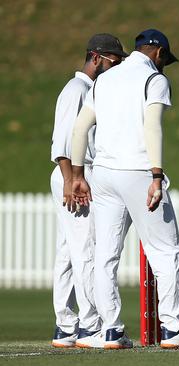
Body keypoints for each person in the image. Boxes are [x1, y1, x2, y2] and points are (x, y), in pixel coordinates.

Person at [70, 29, 179, 349]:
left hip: (103, 174)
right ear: (158, 54)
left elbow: (80, 127)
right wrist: (156, 175)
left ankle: (110, 330)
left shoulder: (104, 79)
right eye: (165, 61)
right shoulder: (153, 80)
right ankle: (173, 328)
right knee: (166, 250)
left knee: (105, 255)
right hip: (138, 172)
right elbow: (152, 126)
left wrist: (78, 173)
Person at [49, 33, 127, 348]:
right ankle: (90, 324)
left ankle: (66, 326)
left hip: (76, 174)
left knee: (68, 252)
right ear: (96, 58)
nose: (117, 67)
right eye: (114, 62)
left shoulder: (90, 90)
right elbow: (63, 142)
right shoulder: (77, 89)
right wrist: (71, 180)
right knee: (87, 250)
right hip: (76, 174)